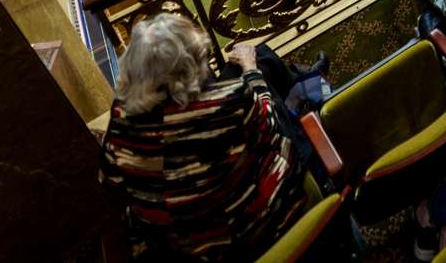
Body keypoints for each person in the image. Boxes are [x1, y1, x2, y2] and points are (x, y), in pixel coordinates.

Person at [99, 15, 307, 260]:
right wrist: (251, 70)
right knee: (260, 66)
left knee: (252, 62)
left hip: (179, 245)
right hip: (253, 226)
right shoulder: (231, 103)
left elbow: (111, 185)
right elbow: (269, 122)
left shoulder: (121, 118)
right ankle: (303, 90)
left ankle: (299, 81)